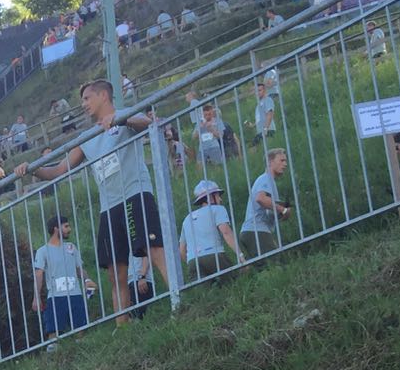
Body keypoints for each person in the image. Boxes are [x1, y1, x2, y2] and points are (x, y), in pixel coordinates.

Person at [16, 79, 168, 325]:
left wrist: (122, 120)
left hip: (135, 194)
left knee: (155, 250)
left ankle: (179, 300)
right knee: (115, 271)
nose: (83, 104)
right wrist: (32, 169)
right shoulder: (87, 137)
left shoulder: (126, 115)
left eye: (87, 98)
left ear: (103, 96)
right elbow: (59, 170)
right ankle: (123, 326)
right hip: (109, 208)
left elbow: (149, 124)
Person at [31, 213, 94, 344]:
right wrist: (36, 297)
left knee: (80, 330)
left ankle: (81, 349)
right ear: (56, 228)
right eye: (66, 226)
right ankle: (54, 351)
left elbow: (79, 268)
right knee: (53, 332)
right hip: (56, 296)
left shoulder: (71, 247)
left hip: (75, 294)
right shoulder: (43, 251)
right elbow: (38, 275)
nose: (69, 229)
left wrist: (87, 280)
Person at [178, 179, 242, 280]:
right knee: (232, 282)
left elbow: (182, 250)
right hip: (214, 255)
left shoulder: (187, 219)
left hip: (193, 261)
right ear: (210, 198)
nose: (220, 199)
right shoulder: (218, 209)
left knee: (205, 290)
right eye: (217, 196)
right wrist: (240, 256)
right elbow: (226, 232)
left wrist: (191, 262)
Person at [240, 147, 293, 259]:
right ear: (270, 162)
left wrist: (281, 213)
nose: (285, 164)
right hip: (256, 230)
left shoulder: (268, 180)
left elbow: (267, 210)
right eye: (282, 160)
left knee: (270, 263)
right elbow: (261, 199)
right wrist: (283, 210)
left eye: (285, 161)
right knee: (276, 263)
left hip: (255, 230)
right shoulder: (266, 178)